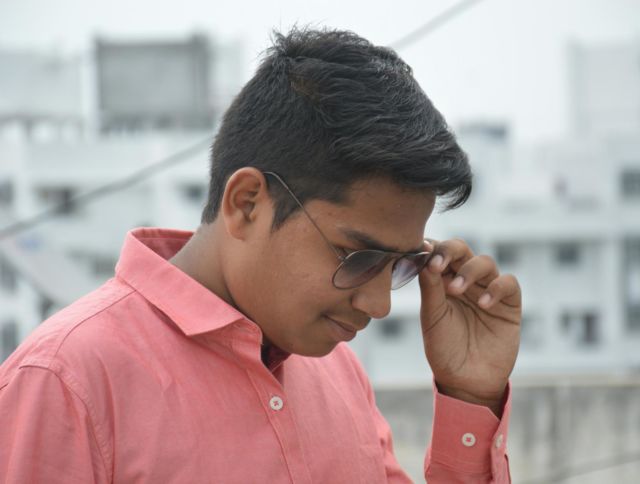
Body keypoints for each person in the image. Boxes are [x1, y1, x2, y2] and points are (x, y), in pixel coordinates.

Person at [0, 27, 520, 483]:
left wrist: (470, 398)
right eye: (357, 257)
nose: (379, 305)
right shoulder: (65, 381)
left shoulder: (337, 372)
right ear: (247, 203)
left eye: (401, 265)